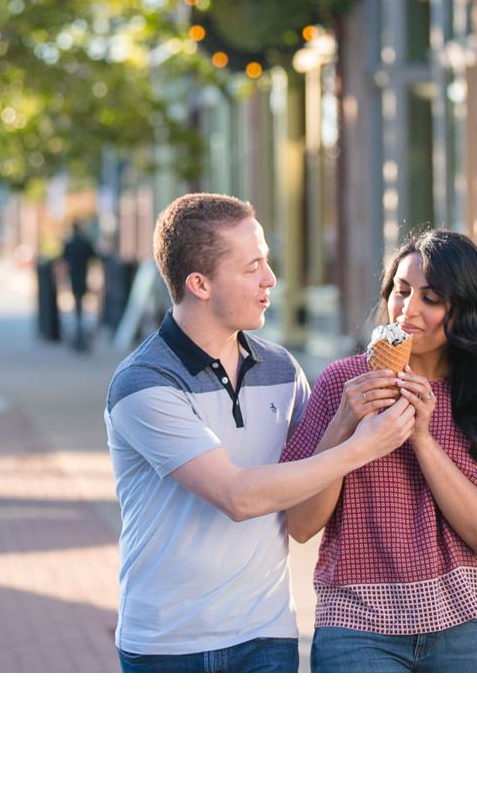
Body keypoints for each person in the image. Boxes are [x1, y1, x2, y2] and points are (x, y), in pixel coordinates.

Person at [104, 193, 413, 673]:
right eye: (252, 268)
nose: (270, 279)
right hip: (168, 643)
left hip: (266, 635)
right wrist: (360, 447)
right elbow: (237, 497)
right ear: (200, 283)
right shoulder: (143, 383)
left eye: (266, 262)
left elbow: (307, 510)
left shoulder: (282, 370)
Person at [283, 229, 477, 673]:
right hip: (357, 627)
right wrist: (346, 422)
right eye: (401, 292)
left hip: (466, 626)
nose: (408, 309)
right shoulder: (342, 385)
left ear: (465, 311)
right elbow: (301, 525)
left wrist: (422, 437)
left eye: (431, 298)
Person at [61, 223, 98, 353]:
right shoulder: (84, 243)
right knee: (80, 307)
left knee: (78, 307)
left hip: (74, 279)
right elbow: (94, 255)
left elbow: (63, 259)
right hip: (82, 277)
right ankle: (80, 335)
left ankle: (79, 334)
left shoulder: (69, 244)